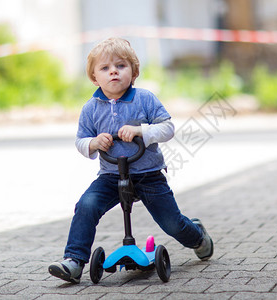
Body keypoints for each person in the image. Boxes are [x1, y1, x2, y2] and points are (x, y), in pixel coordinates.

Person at [48, 37, 213, 284]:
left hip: (148, 173)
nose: (113, 71)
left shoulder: (144, 99)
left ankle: (197, 236)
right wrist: (93, 143)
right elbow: (81, 141)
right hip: (111, 175)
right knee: (87, 205)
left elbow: (167, 128)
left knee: (172, 223)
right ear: (94, 78)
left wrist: (141, 131)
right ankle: (74, 261)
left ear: (134, 72)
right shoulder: (91, 109)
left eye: (121, 66)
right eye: (105, 68)